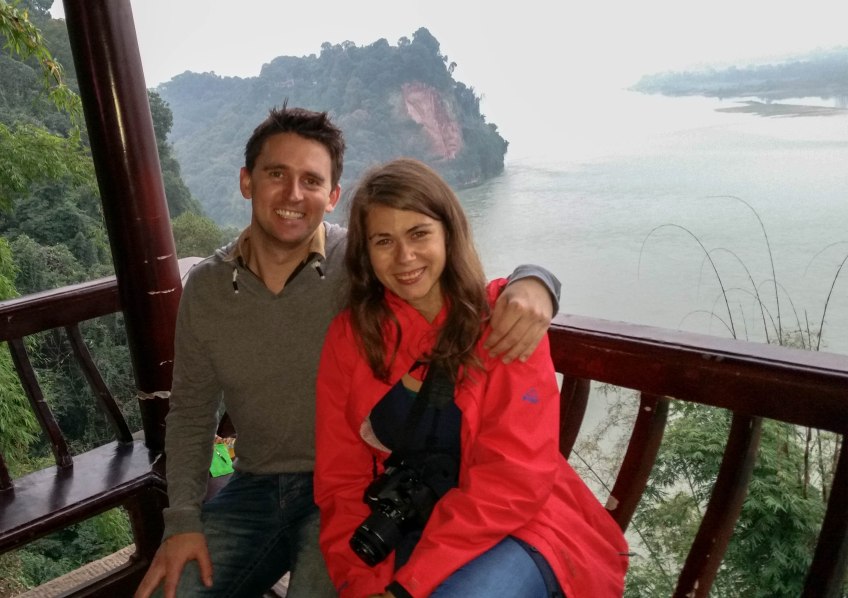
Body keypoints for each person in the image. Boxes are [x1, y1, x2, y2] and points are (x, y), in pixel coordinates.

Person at [135, 105, 562, 598]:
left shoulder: (356, 263)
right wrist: (182, 521)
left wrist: (536, 280)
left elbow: (446, 272)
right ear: (247, 181)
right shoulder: (209, 288)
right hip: (255, 485)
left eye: (311, 181)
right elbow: (191, 411)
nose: (294, 195)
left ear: (332, 195)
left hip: (352, 491)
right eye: (276, 174)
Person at [314, 158, 629, 598]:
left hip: (520, 526)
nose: (404, 257)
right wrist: (361, 582)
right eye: (384, 241)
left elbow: (513, 481)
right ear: (366, 254)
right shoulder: (352, 338)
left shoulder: (503, 322)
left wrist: (407, 587)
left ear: (449, 232)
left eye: (419, 233)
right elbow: (341, 477)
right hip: (414, 527)